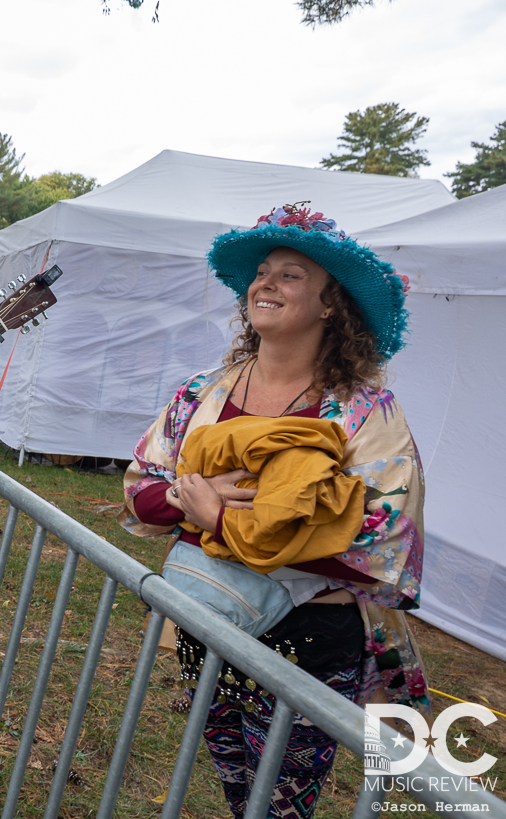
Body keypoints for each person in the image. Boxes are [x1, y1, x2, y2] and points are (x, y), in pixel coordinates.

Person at [119, 204, 427, 819]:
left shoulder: (364, 411)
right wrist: (188, 497)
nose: (265, 283)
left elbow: (384, 537)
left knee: (282, 801)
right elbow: (140, 486)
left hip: (308, 638)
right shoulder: (204, 391)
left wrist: (223, 522)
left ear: (330, 305)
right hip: (208, 622)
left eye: (291, 274)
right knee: (235, 779)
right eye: (262, 272)